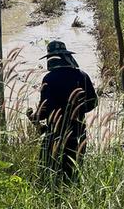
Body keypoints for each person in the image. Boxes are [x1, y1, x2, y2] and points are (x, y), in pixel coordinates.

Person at [27, 40, 98, 179]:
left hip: (54, 133)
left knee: (47, 171)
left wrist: (32, 117)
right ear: (67, 56)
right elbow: (93, 103)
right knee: (74, 172)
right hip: (77, 132)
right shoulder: (82, 75)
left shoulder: (49, 78)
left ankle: (52, 198)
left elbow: (44, 111)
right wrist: (76, 110)